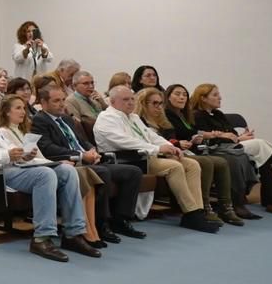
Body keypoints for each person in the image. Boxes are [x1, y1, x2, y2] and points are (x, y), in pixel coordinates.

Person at [0, 89, 98, 262]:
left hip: (12, 166)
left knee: (68, 171)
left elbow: (5, 146)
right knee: (45, 175)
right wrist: (7, 155)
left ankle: (73, 233)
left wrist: (22, 155)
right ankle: (42, 238)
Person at [92, 85, 218, 231]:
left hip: (144, 157)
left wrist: (171, 147)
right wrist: (157, 149)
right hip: (126, 159)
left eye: (132, 99)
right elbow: (124, 141)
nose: (131, 102)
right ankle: (191, 213)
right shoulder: (107, 118)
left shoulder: (133, 117)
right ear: (112, 102)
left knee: (191, 164)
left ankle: (198, 212)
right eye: (125, 99)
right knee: (174, 167)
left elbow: (151, 136)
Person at [31, 81, 146, 242]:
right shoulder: (40, 120)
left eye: (63, 100)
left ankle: (121, 219)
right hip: (71, 163)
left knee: (133, 172)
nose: (62, 104)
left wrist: (92, 150)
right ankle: (101, 223)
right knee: (102, 172)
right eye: (56, 101)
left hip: (87, 160)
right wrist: (80, 155)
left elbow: (82, 140)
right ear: (43, 103)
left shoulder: (66, 119)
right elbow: (48, 148)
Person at [189, 83, 272, 217]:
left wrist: (241, 137)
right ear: (203, 98)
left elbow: (232, 133)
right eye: (215, 95)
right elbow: (211, 140)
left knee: (264, 157)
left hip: (231, 146)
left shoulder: (218, 114)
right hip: (217, 150)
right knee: (261, 146)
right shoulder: (197, 115)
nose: (220, 97)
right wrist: (232, 138)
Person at [136, 87, 238, 227]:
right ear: (143, 104)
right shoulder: (138, 121)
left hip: (169, 154)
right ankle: (191, 212)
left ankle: (200, 210)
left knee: (193, 165)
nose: (159, 107)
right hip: (149, 157)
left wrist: (175, 146)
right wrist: (174, 145)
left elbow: (169, 139)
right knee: (181, 165)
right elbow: (147, 143)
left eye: (161, 103)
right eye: (155, 103)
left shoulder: (164, 120)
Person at [165, 84, 259, 220]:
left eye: (184, 94)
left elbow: (193, 133)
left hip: (195, 148)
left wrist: (202, 136)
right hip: (180, 151)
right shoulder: (169, 114)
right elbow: (176, 135)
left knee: (229, 159)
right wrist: (210, 135)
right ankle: (205, 206)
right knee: (215, 161)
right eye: (177, 94)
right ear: (168, 97)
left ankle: (226, 207)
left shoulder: (184, 115)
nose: (182, 97)